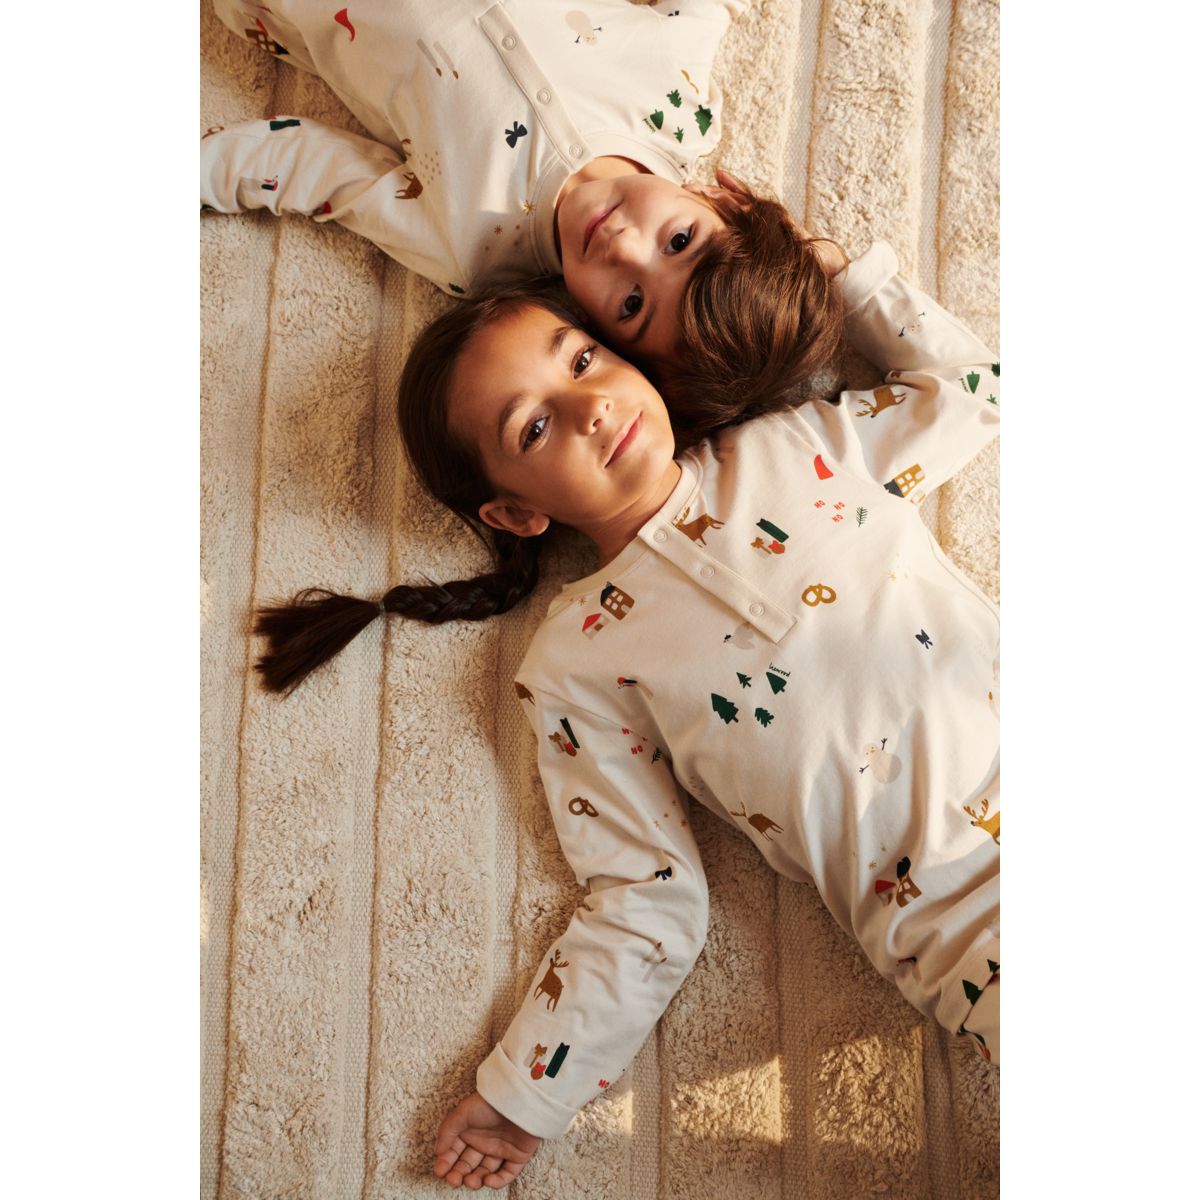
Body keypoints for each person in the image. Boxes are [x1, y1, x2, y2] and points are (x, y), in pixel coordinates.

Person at [253, 239, 1001, 1190]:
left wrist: (848, 276)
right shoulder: (576, 665)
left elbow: (971, 391)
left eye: (581, 359)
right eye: (535, 427)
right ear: (515, 514)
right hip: (966, 928)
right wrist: (528, 1091)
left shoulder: (797, 444)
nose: (590, 407)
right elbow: (647, 894)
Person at [201, 0, 840, 441]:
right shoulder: (677, 106)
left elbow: (315, 170)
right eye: (679, 240)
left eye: (631, 304)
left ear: (593, 333)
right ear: (725, 202)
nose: (623, 247)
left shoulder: (472, 250)